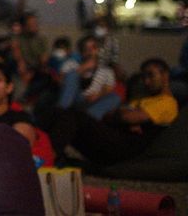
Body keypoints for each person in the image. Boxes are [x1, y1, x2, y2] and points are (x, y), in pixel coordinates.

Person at [47, 58, 178, 169]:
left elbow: (127, 117)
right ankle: (40, 153)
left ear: (165, 75)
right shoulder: (143, 99)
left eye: (151, 75)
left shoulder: (167, 102)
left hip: (124, 147)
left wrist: (125, 117)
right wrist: (124, 117)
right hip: (114, 139)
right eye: (144, 76)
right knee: (59, 113)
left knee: (75, 116)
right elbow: (111, 115)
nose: (146, 81)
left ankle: (48, 157)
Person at [56, 35, 120, 120]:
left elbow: (108, 88)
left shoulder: (106, 70)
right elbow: (61, 81)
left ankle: (89, 118)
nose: (90, 51)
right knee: (72, 75)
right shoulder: (71, 64)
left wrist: (98, 95)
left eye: (93, 47)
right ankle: (61, 112)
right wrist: (83, 68)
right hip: (75, 98)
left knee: (115, 97)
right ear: (82, 52)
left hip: (93, 100)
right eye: (86, 48)